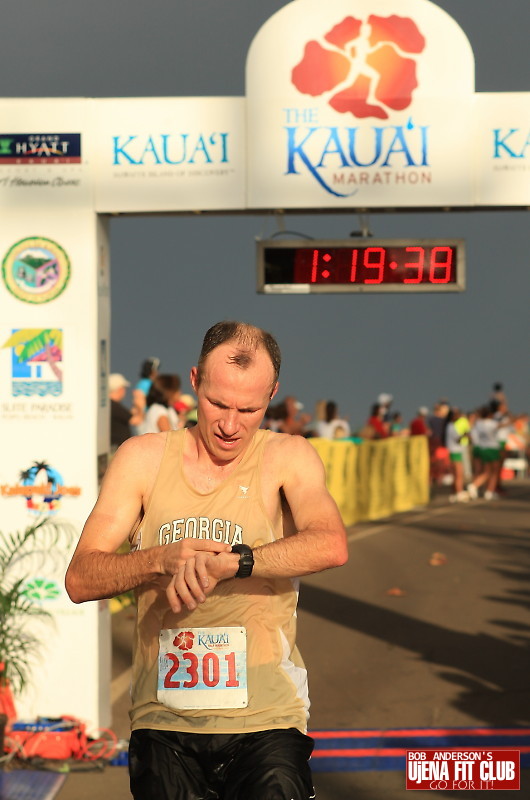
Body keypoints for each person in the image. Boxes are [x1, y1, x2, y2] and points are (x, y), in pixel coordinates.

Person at [65, 320, 348, 800]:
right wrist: (158, 560)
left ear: (273, 394)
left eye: (250, 409)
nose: (231, 424)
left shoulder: (288, 456)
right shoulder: (142, 458)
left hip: (267, 719)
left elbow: (330, 544)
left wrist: (234, 563)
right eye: (217, 404)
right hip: (164, 721)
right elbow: (80, 578)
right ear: (194, 382)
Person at [109, 373, 143, 454]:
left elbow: (128, 415)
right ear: (120, 389)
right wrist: (140, 405)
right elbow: (136, 421)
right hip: (117, 450)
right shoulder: (114, 406)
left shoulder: (109, 406)